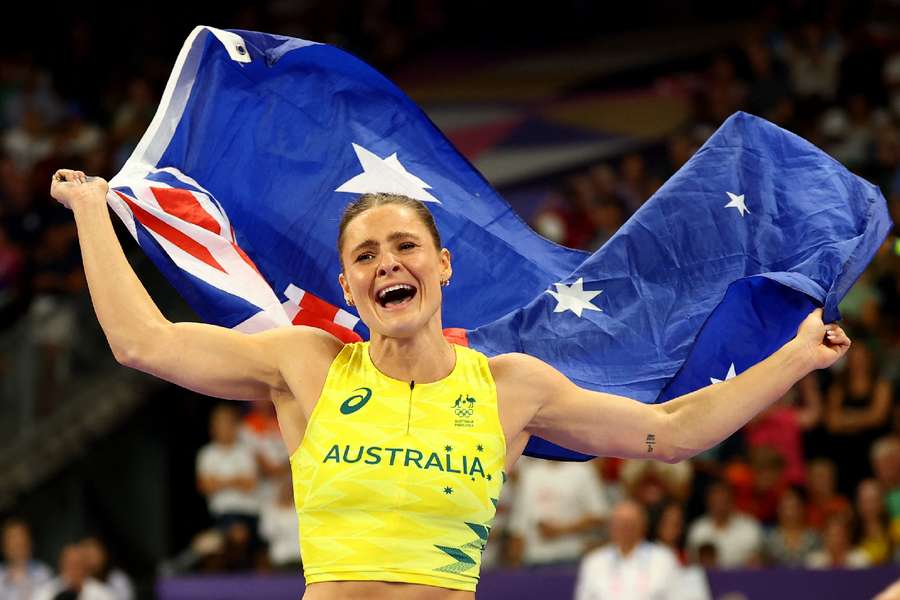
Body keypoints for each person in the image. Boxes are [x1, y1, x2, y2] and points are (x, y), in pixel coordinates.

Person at [49, 170, 852, 599]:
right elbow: (139, 342)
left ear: (443, 267)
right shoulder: (304, 364)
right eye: (365, 256)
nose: (386, 263)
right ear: (349, 285)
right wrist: (91, 209)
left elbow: (672, 432)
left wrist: (796, 358)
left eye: (404, 246)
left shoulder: (512, 389)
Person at [573, 501, 681, 600]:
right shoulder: (594, 561)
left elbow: (676, 596)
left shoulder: (664, 559)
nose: (624, 527)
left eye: (630, 522)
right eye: (619, 522)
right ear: (611, 526)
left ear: (643, 525)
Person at [0, 519, 52, 600]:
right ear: (4, 545)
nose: (18, 544)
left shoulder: (43, 573)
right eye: (13, 539)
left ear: (30, 543)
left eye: (22, 538)